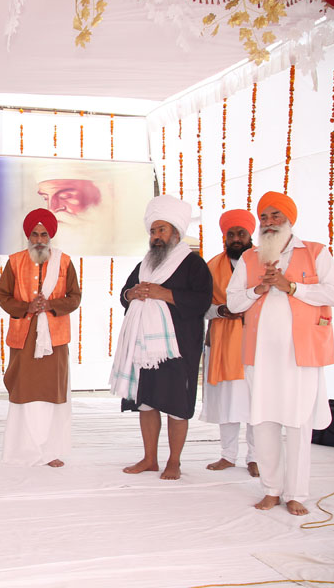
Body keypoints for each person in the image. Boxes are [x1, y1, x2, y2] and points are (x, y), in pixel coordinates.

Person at [227, 191, 334, 515]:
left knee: (297, 424)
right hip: (260, 357)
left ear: (289, 219)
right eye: (263, 216)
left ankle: (296, 493)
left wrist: (291, 287)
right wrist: (258, 289)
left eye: (275, 215)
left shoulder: (315, 252)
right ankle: (271, 489)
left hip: (300, 355)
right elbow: (233, 302)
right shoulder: (250, 258)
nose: (268, 222)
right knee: (263, 422)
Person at [110, 195, 212, 480]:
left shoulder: (193, 264)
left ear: (176, 233)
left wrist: (164, 294)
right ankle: (150, 459)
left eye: (161, 230)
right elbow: (124, 294)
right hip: (144, 348)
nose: (156, 236)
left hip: (179, 348)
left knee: (176, 405)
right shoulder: (145, 265)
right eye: (153, 231)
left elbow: (202, 301)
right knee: (147, 402)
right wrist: (132, 293)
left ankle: (174, 462)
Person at [0, 208, 81, 466]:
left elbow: (75, 297)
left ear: (50, 236)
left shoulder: (64, 262)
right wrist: (27, 307)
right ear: (28, 236)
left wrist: (51, 305)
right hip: (24, 337)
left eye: (44, 235)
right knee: (24, 392)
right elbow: (3, 295)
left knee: (52, 394)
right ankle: (23, 450)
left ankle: (50, 451)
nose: (40, 239)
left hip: (54, 339)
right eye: (35, 234)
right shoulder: (15, 261)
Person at [200, 209, 258, 477]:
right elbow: (200, 306)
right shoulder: (211, 266)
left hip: (257, 342)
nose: (236, 239)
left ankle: (256, 457)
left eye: (241, 233)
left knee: (257, 401)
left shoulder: (264, 262)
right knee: (228, 400)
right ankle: (228, 455)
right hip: (223, 341)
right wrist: (221, 310)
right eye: (231, 234)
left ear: (250, 235)